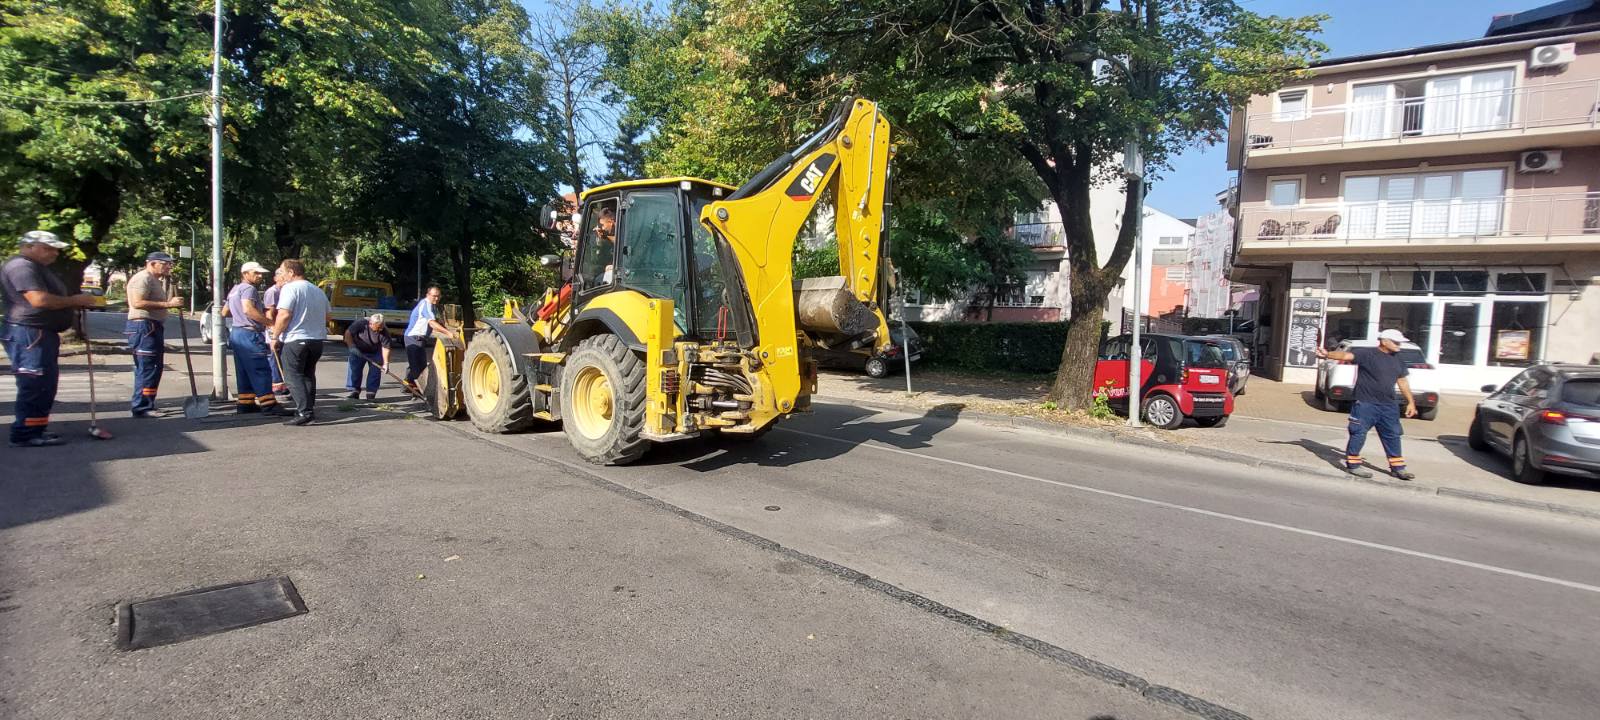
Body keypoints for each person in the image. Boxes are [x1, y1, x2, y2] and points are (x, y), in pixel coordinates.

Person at [1, 231, 99, 447]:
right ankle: (25, 433)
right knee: (34, 382)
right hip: (29, 332)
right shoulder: (22, 267)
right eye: (48, 248)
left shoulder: (35, 267)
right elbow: (39, 300)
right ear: (29, 246)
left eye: (55, 248)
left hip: (38, 332)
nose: (54, 253)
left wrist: (75, 303)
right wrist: (74, 300)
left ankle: (36, 429)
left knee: (44, 383)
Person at [1317, 328, 1419, 480]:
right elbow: (1346, 355)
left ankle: (1398, 468)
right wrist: (1327, 354)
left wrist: (1411, 403)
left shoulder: (1398, 359)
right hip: (1366, 404)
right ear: (1384, 341)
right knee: (1358, 433)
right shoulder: (1367, 354)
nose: (1399, 345)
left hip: (1389, 406)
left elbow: (1402, 381)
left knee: (1393, 435)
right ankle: (1353, 465)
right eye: (1396, 342)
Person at [268, 259, 331, 426]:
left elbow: (284, 315)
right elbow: (328, 316)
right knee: (308, 374)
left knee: (292, 376)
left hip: (296, 339)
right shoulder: (318, 291)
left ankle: (304, 412)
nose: (280, 275)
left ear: (291, 272)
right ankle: (308, 409)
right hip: (316, 340)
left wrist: (274, 336)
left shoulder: (290, 288)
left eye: (282, 271)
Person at [124, 251, 185, 417]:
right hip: (143, 326)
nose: (168, 267)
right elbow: (137, 302)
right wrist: (168, 304)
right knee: (146, 367)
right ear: (152, 263)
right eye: (165, 264)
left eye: (169, 264)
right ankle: (141, 407)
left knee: (154, 367)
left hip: (151, 326)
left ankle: (148, 404)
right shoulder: (142, 278)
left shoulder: (155, 280)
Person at [225, 262, 288, 416]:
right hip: (249, 334)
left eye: (261, 273)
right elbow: (248, 309)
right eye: (256, 273)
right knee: (260, 368)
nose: (260, 276)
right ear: (245, 273)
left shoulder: (234, 289)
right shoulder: (248, 288)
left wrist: (239, 315)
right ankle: (269, 404)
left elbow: (225, 311)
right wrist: (269, 323)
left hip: (237, 333)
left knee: (244, 370)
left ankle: (245, 403)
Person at [402, 285, 454, 394]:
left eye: (438, 296)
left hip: (420, 339)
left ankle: (408, 384)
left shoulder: (433, 306)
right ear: (427, 295)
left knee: (420, 364)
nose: (436, 298)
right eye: (434, 296)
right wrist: (448, 333)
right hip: (413, 338)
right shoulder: (426, 304)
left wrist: (446, 329)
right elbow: (432, 323)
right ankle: (419, 392)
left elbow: (438, 322)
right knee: (418, 367)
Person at [343, 314, 392, 400]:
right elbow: (348, 333)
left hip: (375, 351)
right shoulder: (360, 324)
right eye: (378, 328)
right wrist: (352, 347)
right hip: (358, 349)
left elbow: (386, 348)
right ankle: (354, 390)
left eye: (381, 327)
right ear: (370, 324)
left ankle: (371, 392)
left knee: (375, 371)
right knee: (355, 369)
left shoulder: (384, 331)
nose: (380, 330)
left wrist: (386, 363)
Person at [262, 267, 289, 399]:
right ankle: (277, 384)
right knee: (274, 355)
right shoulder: (273, 292)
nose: (284, 279)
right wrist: (272, 328)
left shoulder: (285, 291)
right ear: (275, 278)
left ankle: (283, 383)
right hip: (274, 328)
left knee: (281, 355)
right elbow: (270, 312)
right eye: (281, 276)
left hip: (282, 328)